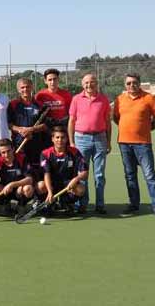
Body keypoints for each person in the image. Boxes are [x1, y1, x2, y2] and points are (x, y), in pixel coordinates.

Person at [113, 73, 155, 218]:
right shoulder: (119, 99)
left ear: (139, 83)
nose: (131, 85)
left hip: (143, 144)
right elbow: (116, 118)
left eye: (134, 82)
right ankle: (134, 204)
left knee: (149, 175)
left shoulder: (149, 98)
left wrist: (146, 129)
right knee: (130, 175)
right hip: (124, 143)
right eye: (128, 83)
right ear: (125, 85)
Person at [68, 74, 111, 214]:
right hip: (81, 139)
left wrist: (108, 141)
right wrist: (72, 142)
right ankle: (83, 204)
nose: (89, 85)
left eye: (92, 82)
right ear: (82, 84)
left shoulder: (103, 100)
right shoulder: (76, 99)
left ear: (96, 83)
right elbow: (71, 122)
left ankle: (100, 205)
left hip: (100, 139)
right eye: (86, 82)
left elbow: (108, 123)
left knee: (99, 175)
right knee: (82, 174)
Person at [36, 126, 88, 215]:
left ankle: (67, 203)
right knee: (40, 186)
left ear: (67, 138)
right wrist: (50, 192)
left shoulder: (74, 152)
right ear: (52, 139)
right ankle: (49, 203)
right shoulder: (45, 153)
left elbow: (85, 172)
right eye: (57, 137)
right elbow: (46, 174)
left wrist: (75, 180)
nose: (60, 140)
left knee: (81, 189)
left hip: (68, 184)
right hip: (52, 184)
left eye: (62, 137)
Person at [0, 139, 33, 216]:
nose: (6, 155)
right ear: (0, 152)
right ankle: (5, 204)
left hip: (19, 189)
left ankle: (21, 205)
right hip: (5, 190)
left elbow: (29, 179)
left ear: (13, 149)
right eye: (3, 152)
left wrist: (12, 184)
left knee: (28, 188)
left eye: (8, 151)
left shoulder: (22, 158)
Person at [8, 78, 48, 168]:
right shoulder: (13, 104)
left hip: (37, 144)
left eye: (27, 87)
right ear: (18, 89)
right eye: (22, 87)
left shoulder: (40, 105)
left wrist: (31, 130)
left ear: (32, 88)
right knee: (21, 171)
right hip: (19, 143)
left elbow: (45, 125)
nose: (25, 89)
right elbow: (9, 124)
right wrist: (20, 130)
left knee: (36, 172)